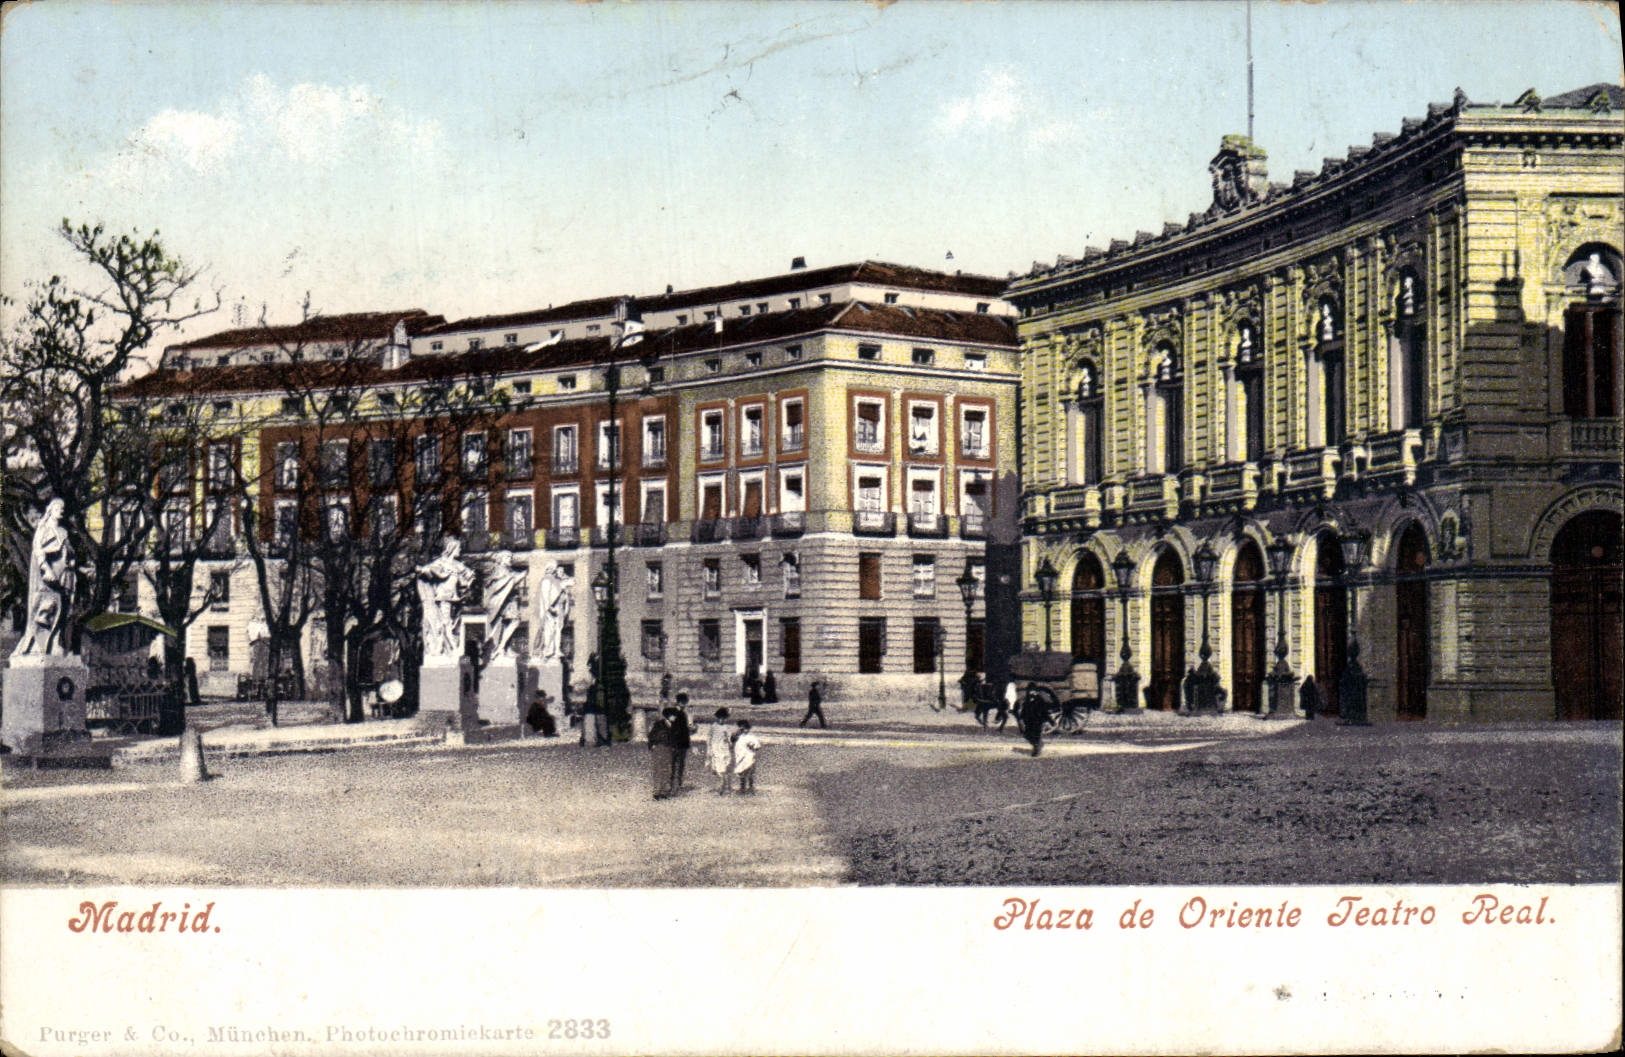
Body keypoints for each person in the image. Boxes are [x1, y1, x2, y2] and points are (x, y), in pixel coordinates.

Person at [14, 498, 75, 658]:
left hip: (62, 577)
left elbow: (69, 551)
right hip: (47, 579)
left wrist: (71, 560)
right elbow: (39, 551)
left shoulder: (63, 532)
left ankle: (55, 643)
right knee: (43, 610)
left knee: (60, 611)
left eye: (62, 507)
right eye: (57, 507)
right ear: (50, 510)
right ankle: (36, 645)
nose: (61, 510)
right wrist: (45, 569)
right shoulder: (43, 529)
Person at [415, 537, 475, 661]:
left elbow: (469, 576)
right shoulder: (440, 562)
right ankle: (450, 647)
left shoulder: (458, 565)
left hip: (456, 598)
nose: (460, 549)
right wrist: (423, 570)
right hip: (444, 596)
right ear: (451, 548)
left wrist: (469, 580)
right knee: (445, 621)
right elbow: (427, 570)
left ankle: (452, 646)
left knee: (454, 622)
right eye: (458, 547)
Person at [648, 708, 675, 799]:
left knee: (667, 769)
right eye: (673, 715)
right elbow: (651, 735)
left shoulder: (675, 726)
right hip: (659, 748)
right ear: (668, 716)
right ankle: (656, 791)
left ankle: (665, 791)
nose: (675, 717)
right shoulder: (659, 724)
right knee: (658, 769)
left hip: (669, 749)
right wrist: (652, 745)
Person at [706, 707, 734, 794]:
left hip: (724, 750)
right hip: (716, 749)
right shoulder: (713, 727)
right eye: (720, 718)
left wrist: (729, 741)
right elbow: (709, 739)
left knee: (725, 769)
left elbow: (730, 741)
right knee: (719, 769)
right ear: (717, 717)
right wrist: (709, 750)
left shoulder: (727, 727)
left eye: (724, 718)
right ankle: (722, 787)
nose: (722, 720)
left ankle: (726, 787)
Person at [669, 693, 693, 791]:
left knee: (681, 763)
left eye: (685, 703)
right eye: (683, 703)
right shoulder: (673, 712)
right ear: (679, 702)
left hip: (683, 742)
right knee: (673, 763)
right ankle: (672, 783)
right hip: (675, 742)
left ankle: (678, 783)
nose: (684, 705)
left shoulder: (684, 713)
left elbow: (685, 728)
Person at [731, 719, 763, 794]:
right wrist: (737, 732)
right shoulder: (738, 737)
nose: (744, 730)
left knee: (749, 773)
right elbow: (732, 739)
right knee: (741, 773)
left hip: (749, 757)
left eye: (745, 728)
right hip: (740, 757)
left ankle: (750, 787)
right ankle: (743, 788)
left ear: (748, 728)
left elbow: (757, 746)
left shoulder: (751, 737)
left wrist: (752, 746)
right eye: (742, 728)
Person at [1019, 683, 1047, 757]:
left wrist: (1045, 720)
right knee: (1027, 735)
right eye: (1030, 691)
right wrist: (1021, 717)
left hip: (1037, 721)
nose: (1031, 693)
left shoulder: (1040, 700)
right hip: (1029, 721)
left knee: (1036, 736)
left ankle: (1036, 750)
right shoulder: (1027, 700)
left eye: (1033, 691)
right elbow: (1024, 710)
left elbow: (1044, 711)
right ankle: (1037, 745)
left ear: (1036, 691)